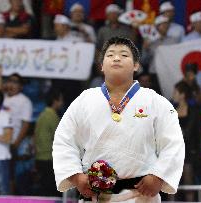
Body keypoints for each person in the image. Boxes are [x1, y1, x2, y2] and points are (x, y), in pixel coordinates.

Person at [52, 37, 185, 202]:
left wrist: (159, 175)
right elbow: (64, 141)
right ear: (101, 66)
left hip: (141, 194)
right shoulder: (84, 100)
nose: (116, 58)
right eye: (110, 55)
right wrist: (76, 176)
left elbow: (173, 143)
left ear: (136, 65)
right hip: (95, 193)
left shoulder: (155, 101)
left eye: (124, 55)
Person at [171, 81, 201, 201]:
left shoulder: (195, 112)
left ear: (182, 94)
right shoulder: (170, 110)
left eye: (175, 92)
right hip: (171, 152)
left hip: (188, 152)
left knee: (189, 183)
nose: (173, 94)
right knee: (170, 185)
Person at [34, 89, 63, 197]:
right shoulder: (51, 116)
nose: (62, 103)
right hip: (48, 158)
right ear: (55, 101)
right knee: (50, 189)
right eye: (60, 100)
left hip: (41, 156)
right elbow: (59, 138)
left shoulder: (43, 115)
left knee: (44, 187)